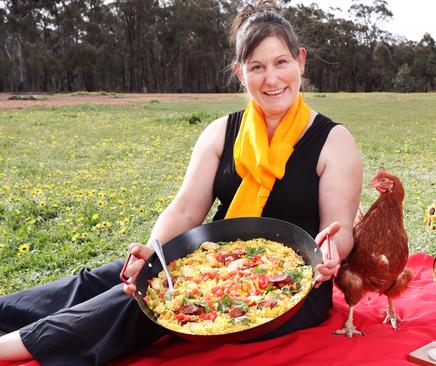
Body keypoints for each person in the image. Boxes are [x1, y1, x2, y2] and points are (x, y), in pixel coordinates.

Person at [0, 1, 363, 364]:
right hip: (217, 258)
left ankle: (19, 346)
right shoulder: (220, 132)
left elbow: (341, 229)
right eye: (257, 67)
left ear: (300, 60)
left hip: (295, 286)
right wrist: (152, 252)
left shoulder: (334, 141)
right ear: (240, 72)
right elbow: (187, 209)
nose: (272, 79)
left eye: (281, 62)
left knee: (142, 302)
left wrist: (330, 251)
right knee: (117, 277)